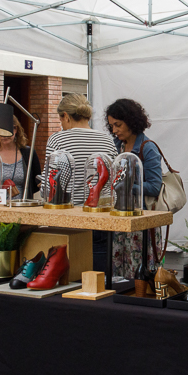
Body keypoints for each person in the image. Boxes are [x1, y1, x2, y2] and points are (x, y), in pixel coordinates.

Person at [45, 94, 118, 273]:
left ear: (66, 116)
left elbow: (50, 187)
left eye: (61, 119)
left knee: (72, 274)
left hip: (69, 218)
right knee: (100, 275)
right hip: (102, 217)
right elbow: (115, 180)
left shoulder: (58, 140)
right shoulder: (107, 140)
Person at [106, 99, 165, 279]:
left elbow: (155, 187)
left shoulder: (148, 148)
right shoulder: (117, 146)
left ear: (131, 121)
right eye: (111, 126)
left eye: (118, 125)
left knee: (140, 273)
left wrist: (127, 187)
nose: (114, 130)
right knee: (118, 271)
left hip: (142, 222)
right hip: (120, 218)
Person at [0, 114, 42, 199]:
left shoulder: (28, 153)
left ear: (16, 129)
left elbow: (36, 183)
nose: (4, 135)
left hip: (21, 208)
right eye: (0, 130)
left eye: (7, 130)